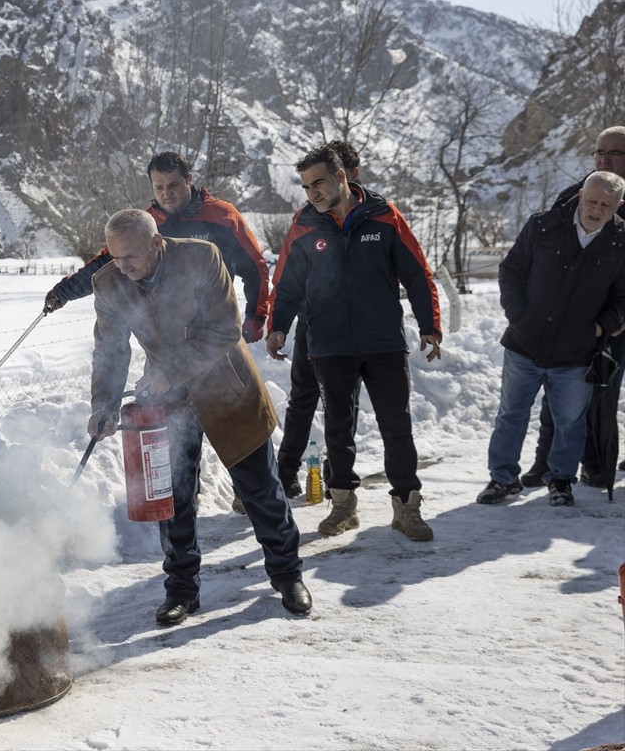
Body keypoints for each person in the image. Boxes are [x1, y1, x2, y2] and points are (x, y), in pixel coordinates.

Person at [87, 209, 310, 624]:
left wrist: (167, 372)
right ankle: (182, 590)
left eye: (131, 256)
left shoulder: (202, 258)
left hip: (226, 386)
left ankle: (287, 575)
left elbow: (224, 330)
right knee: (172, 500)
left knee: (260, 490)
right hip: (168, 402)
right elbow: (110, 350)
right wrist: (104, 403)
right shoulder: (109, 283)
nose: (124, 266)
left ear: (156, 243)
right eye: (115, 258)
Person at [266, 144, 442, 541]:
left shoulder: (384, 216)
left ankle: (407, 508)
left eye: (319, 182)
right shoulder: (305, 225)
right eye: (306, 186)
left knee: (397, 426)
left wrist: (431, 325)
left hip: (383, 342)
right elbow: (288, 284)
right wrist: (278, 326)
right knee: (338, 428)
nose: (312, 192)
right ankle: (343, 505)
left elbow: (417, 274)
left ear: (342, 176)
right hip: (329, 344)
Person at [477, 170, 625, 507]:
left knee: (570, 421)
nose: (596, 209)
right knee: (510, 414)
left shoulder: (621, 242)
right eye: (592, 200)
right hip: (524, 345)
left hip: (577, 353)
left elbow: (623, 299)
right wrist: (518, 315)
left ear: (619, 205)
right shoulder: (543, 225)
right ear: (580, 195)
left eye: (606, 204)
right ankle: (502, 479)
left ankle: (561, 480)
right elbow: (511, 270)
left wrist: (600, 328)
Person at [43, 151, 270, 344]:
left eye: (173, 185)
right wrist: (64, 292)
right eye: (158, 187)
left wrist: (255, 317)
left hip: (216, 325)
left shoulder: (223, 216)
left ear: (189, 179)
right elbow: (107, 263)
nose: (166, 193)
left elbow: (255, 268)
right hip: (166, 330)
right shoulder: (146, 224)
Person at [519, 126, 625, 489]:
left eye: (614, 153)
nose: (604, 158)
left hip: (616, 320)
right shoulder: (574, 195)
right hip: (568, 320)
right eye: (599, 152)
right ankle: (546, 463)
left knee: (604, 392)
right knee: (559, 392)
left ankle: (595, 464)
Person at [274, 139, 361, 498]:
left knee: (343, 405)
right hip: (312, 326)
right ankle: (285, 473)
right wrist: (278, 324)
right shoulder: (305, 220)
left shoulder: (370, 215)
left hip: (352, 331)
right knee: (302, 400)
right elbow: (286, 276)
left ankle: (335, 475)